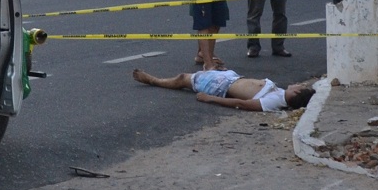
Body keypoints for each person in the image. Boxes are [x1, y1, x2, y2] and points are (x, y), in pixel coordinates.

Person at [131, 61, 316, 113]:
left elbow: (241, 104)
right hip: (230, 78)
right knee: (209, 68)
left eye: (299, 86)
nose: (298, 84)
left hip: (221, 87)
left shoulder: (274, 102)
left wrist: (210, 98)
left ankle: (154, 81)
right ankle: (210, 67)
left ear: (297, 92)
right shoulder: (280, 94)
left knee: (183, 79)